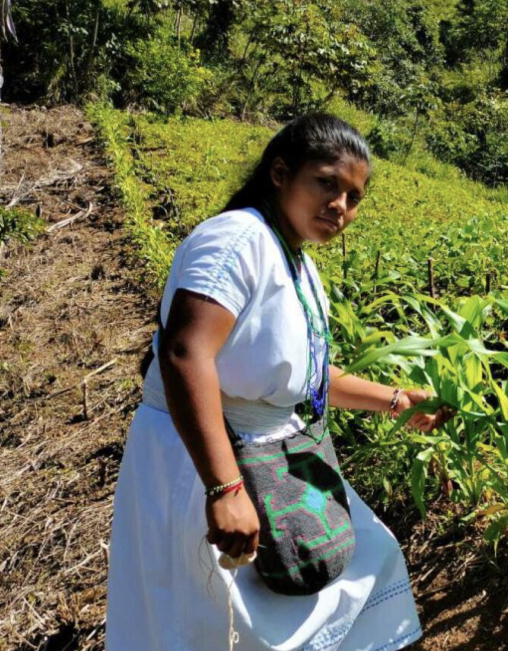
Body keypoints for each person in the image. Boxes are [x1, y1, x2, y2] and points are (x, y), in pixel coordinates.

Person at [107, 113, 449, 651]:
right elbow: (184, 353)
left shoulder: (294, 261)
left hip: (267, 452)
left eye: (354, 196)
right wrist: (224, 489)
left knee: (365, 565)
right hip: (202, 459)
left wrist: (397, 400)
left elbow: (303, 377)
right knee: (209, 625)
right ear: (280, 173)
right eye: (327, 183)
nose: (341, 205)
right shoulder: (236, 239)